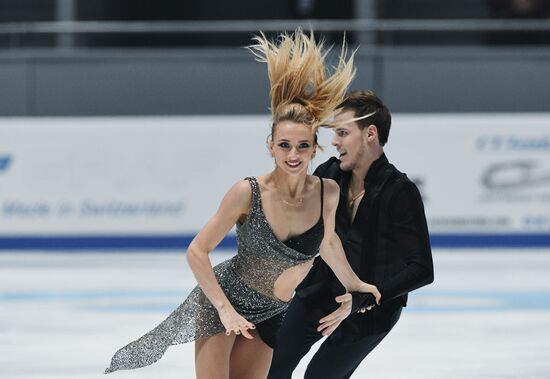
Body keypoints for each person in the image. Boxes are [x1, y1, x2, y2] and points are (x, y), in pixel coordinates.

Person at [104, 31, 381, 379]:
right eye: (284, 145)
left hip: (274, 310)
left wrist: (355, 284)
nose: (292, 155)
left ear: (315, 148)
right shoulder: (247, 192)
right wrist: (223, 309)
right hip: (225, 301)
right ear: (271, 147)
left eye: (301, 146)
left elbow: (327, 242)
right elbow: (197, 250)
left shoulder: (328, 192)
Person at [268, 90, 435, 379]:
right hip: (319, 292)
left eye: (343, 132)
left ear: (370, 134)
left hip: (371, 311)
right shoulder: (328, 174)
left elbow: (422, 269)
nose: (334, 141)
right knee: (271, 366)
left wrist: (365, 298)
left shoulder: (400, 191)